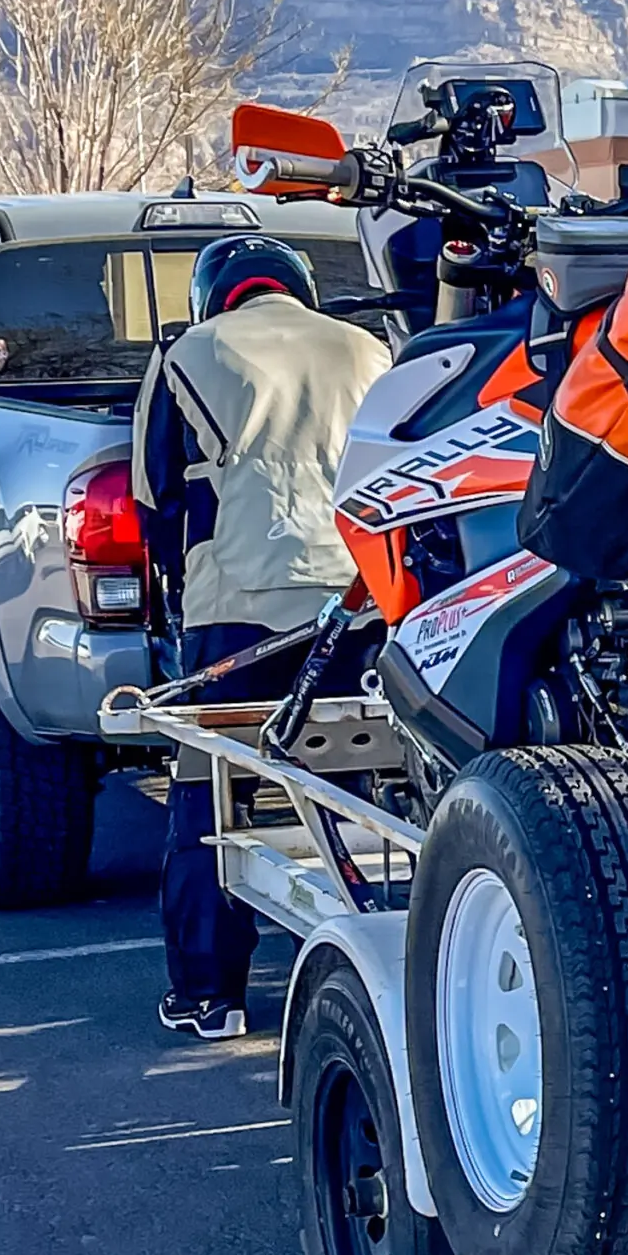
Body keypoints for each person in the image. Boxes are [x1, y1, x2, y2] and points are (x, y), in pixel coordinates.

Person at [133, 234, 387, 1038]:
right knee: (363, 791)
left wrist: (176, 593)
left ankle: (209, 994)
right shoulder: (371, 350)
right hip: (358, 603)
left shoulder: (186, 353)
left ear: (216, 293)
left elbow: (154, 495)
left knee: (209, 795)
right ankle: (382, 969)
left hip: (235, 608)